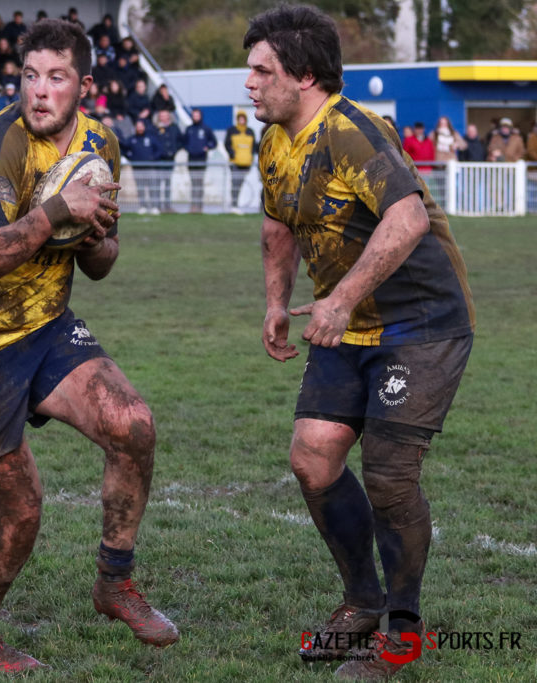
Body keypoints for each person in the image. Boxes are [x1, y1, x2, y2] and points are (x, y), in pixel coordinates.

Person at [0, 19, 178, 673]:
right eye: (29, 76)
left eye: (56, 77)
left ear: (84, 83)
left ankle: (115, 581)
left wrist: (95, 235)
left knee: (133, 425)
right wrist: (59, 211)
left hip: (41, 321)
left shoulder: (101, 146)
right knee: (21, 513)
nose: (40, 91)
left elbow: (103, 261)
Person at [245, 6, 474, 680]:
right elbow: (277, 224)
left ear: (305, 76)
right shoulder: (273, 140)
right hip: (345, 322)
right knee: (312, 458)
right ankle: (362, 602)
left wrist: (340, 297)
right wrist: (274, 303)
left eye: (263, 71)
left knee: (390, 475)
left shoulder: (351, 130)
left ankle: (401, 633)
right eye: (249, 70)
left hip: (420, 323)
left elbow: (405, 217)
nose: (250, 84)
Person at [123, 118, 163, 214]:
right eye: (138, 126)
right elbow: (124, 147)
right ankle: (143, 206)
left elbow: (159, 149)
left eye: (141, 126)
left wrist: (153, 158)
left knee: (152, 187)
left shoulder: (151, 138)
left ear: (144, 127)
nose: (140, 128)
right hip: (137, 168)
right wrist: (131, 158)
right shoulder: (132, 139)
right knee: (140, 188)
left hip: (150, 168)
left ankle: (154, 207)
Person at [184, 108, 217, 212]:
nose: (195, 117)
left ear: (200, 116)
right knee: (193, 183)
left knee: (199, 183)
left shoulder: (206, 129)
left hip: (202, 160)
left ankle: (199, 206)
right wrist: (188, 148)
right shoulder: (189, 129)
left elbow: (213, 142)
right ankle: (193, 205)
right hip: (191, 160)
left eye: (197, 115)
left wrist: (207, 147)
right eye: (194, 116)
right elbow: (183, 142)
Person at [224, 111, 256, 207]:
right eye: (240, 118)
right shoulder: (232, 130)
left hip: (246, 163)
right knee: (235, 184)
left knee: (240, 184)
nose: (241, 120)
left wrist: (251, 157)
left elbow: (253, 147)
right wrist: (232, 154)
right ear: (237, 119)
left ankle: (236, 204)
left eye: (243, 118)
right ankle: (234, 204)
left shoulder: (250, 131)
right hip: (235, 163)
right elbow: (227, 144)